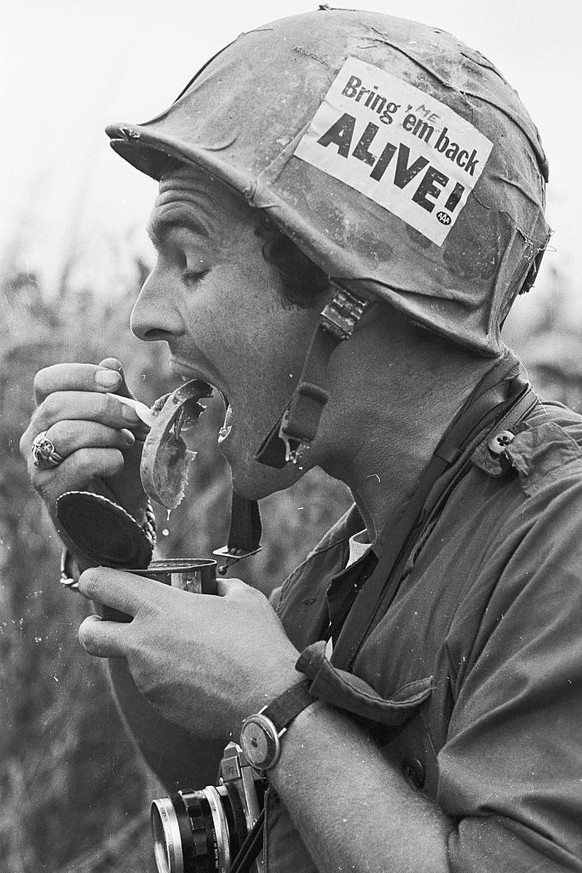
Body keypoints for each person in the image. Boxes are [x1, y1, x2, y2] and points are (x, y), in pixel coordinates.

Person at [20, 9, 582, 872]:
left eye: (191, 263)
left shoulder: (561, 538)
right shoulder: (370, 546)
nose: (145, 314)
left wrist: (278, 704)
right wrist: (115, 543)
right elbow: (234, 777)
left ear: (348, 296)